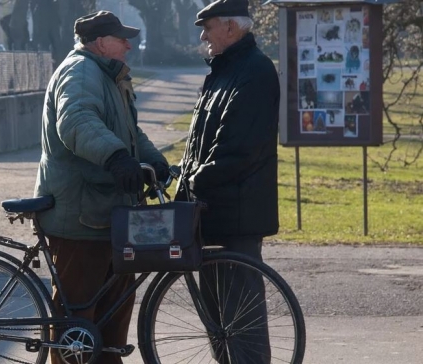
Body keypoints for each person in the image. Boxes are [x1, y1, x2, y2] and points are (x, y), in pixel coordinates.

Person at [33, 10, 169, 364]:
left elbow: (131, 132)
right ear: (100, 43)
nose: (129, 44)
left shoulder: (109, 75)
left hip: (109, 213)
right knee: (76, 319)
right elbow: (76, 122)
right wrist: (116, 158)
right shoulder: (80, 73)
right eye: (121, 38)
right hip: (81, 216)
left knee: (112, 312)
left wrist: (156, 163)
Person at [174, 0, 280, 363]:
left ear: (231, 28)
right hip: (211, 212)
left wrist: (194, 181)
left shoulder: (255, 71)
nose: (203, 36)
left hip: (237, 214)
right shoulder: (222, 70)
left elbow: (237, 148)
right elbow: (199, 143)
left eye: (208, 27)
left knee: (241, 322)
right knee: (219, 322)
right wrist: (182, 176)